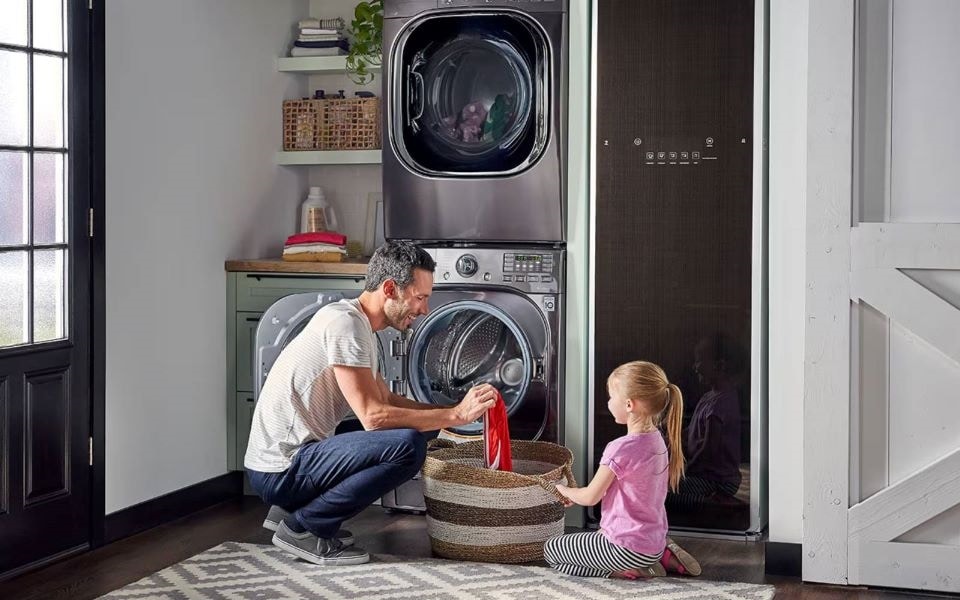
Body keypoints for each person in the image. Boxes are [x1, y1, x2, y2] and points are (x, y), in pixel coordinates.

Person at [244, 241, 498, 566]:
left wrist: (450, 418)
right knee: (406, 446)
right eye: (419, 297)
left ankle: (293, 512)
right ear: (390, 289)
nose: (424, 310)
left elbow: (388, 401)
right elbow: (374, 417)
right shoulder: (346, 325)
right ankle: (304, 526)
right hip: (281, 469)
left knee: (421, 430)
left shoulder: (359, 324)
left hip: (291, 460)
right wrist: (454, 413)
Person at [545, 361, 701, 579]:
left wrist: (562, 489)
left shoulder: (619, 449)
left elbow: (590, 497)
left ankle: (621, 571)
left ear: (629, 405)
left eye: (611, 397)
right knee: (596, 538)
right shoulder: (658, 440)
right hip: (653, 542)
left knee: (552, 550)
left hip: (626, 548)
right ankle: (661, 557)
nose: (608, 403)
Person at [672, 333, 744, 507]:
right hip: (705, 474)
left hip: (717, 480)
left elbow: (709, 449)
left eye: (699, 361)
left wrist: (687, 470)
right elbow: (692, 431)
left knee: (669, 491)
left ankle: (714, 502)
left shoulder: (721, 403)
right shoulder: (708, 397)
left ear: (720, 365)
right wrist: (672, 438)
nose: (695, 367)